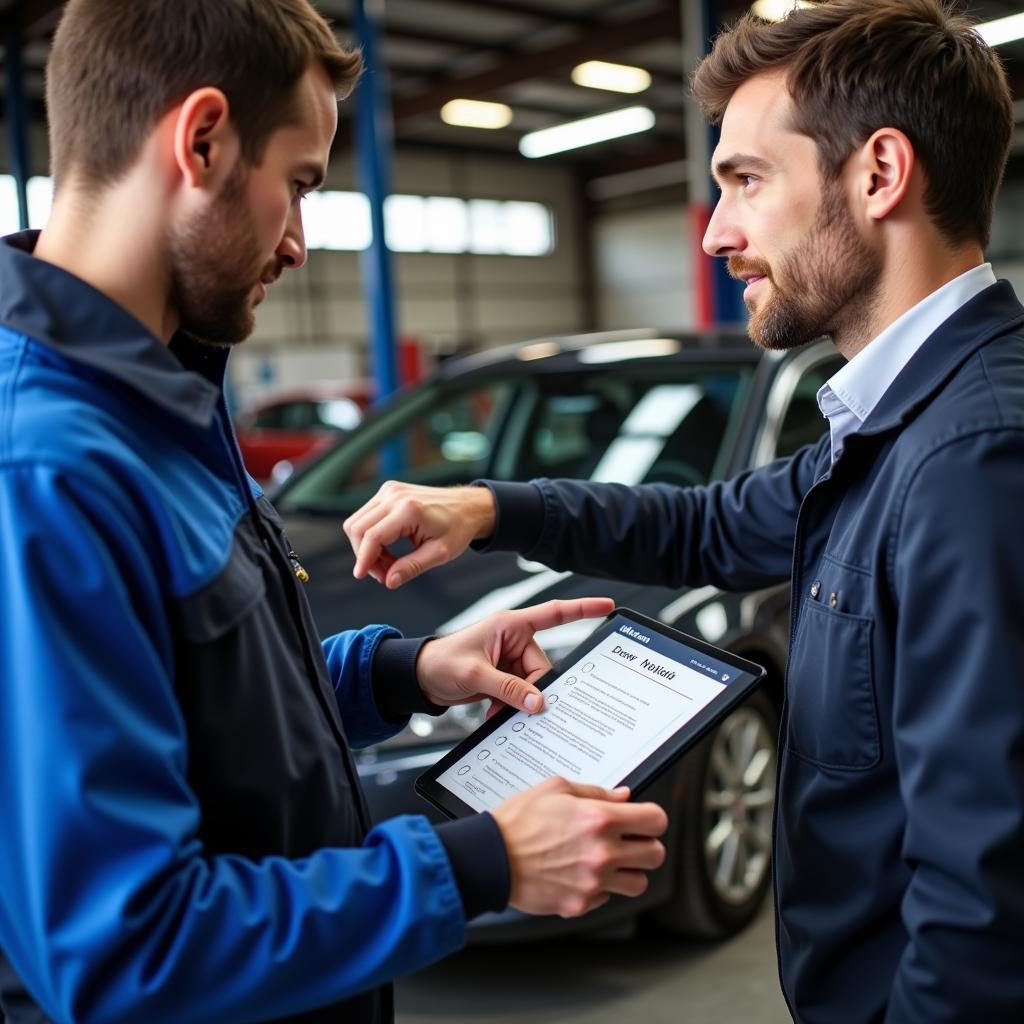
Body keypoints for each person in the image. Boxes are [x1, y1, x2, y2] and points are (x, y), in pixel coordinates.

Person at [343, 1, 1024, 1020]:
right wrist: (489, 505)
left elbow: (985, 901)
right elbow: (701, 527)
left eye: (746, 180)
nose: (716, 234)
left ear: (878, 174)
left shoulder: (974, 456)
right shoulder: (895, 427)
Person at [0, 3, 671, 1023]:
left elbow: (203, 703)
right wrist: (479, 865)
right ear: (204, 139)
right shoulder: (43, 470)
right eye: (300, 186)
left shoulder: (159, 397)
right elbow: (121, 950)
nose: (301, 243)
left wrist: (407, 668)